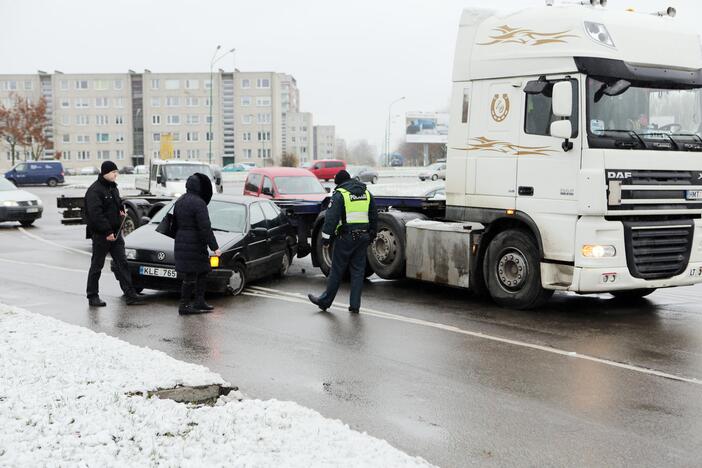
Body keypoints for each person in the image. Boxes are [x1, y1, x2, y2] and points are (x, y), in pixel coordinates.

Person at [308, 169, 377, 313]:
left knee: (337, 271)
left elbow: (331, 218)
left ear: (339, 182)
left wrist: (325, 239)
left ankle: (324, 301)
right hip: (363, 237)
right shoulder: (366, 193)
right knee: (358, 272)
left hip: (346, 237)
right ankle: (355, 306)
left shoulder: (340, 195)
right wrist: (372, 234)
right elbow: (373, 216)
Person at [85, 161, 144, 307]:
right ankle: (92, 296)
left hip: (116, 234)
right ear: (105, 172)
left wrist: (121, 210)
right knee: (97, 265)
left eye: (116, 172)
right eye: (113, 172)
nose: (115, 174)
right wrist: (107, 231)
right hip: (102, 235)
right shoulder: (95, 190)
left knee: (122, 263)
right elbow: (95, 215)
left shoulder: (113, 188)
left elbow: (117, 204)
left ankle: (130, 294)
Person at [173, 173, 221, 315]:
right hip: (194, 241)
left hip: (182, 240)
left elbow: (174, 223)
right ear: (199, 187)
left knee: (202, 271)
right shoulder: (199, 203)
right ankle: (185, 306)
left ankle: (199, 301)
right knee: (191, 275)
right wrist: (215, 247)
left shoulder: (180, 200)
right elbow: (205, 227)